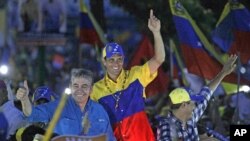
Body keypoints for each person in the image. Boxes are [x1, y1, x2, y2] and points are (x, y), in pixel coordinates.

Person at [91, 9, 165, 140]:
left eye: (119, 59)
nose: (116, 63)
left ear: (123, 59)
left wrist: (156, 32)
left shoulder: (136, 74)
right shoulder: (96, 90)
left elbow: (159, 59)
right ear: (104, 61)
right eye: (111, 59)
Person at [16, 68, 115, 141]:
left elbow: (109, 138)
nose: (79, 90)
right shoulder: (58, 106)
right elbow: (32, 114)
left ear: (91, 89)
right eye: (76, 86)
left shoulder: (100, 111)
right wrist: (24, 100)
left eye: (84, 86)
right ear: (70, 87)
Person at [156, 55, 237, 141]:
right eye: (192, 103)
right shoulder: (167, 126)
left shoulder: (190, 118)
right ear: (184, 105)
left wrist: (223, 73)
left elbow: (206, 93)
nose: (195, 106)